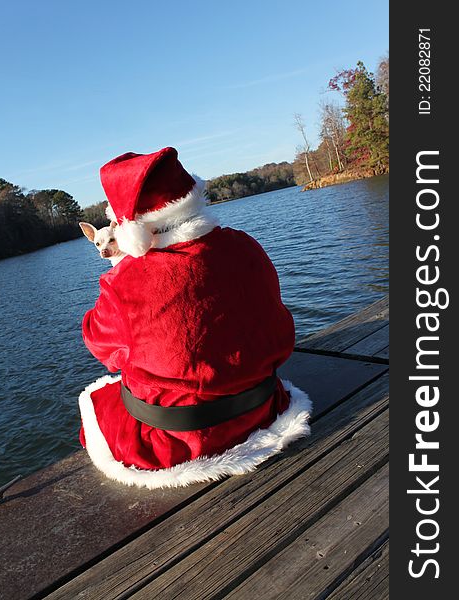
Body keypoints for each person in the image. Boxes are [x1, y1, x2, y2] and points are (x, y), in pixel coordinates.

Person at [79, 147, 311, 488]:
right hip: (263, 411)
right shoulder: (245, 246)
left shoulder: (126, 280)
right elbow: (281, 332)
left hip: (175, 442)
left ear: (131, 227)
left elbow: (100, 347)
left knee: (101, 401)